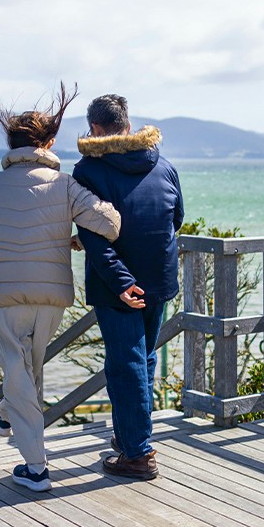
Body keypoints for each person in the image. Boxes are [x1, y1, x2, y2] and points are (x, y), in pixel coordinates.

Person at [0, 84, 120, 492]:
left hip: (6, 294)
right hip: (53, 297)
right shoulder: (66, 185)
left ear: (11, 144)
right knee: (28, 371)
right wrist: (73, 239)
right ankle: (4, 411)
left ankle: (36, 468)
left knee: (19, 373)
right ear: (49, 143)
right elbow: (109, 225)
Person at [73, 93, 184, 480]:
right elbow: (177, 219)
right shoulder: (164, 165)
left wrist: (121, 282)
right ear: (128, 124)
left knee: (127, 364)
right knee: (144, 359)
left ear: (97, 129)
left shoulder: (89, 170)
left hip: (117, 287)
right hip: (160, 279)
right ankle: (131, 436)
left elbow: (93, 237)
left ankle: (137, 453)